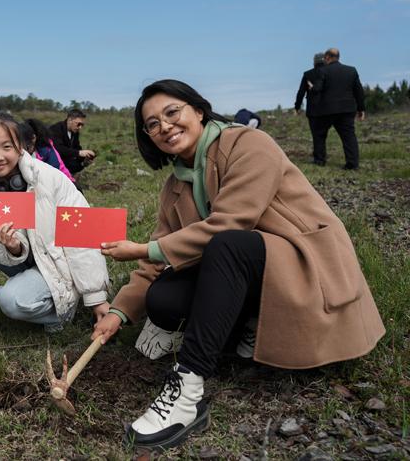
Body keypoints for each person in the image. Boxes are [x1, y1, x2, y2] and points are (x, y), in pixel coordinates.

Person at [91, 79, 384, 451]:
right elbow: (154, 262)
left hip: (301, 262)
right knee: (163, 298)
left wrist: (142, 248)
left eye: (172, 112)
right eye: (152, 124)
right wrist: (118, 312)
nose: (164, 126)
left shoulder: (248, 143)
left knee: (227, 243)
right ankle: (247, 324)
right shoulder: (174, 186)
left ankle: (187, 391)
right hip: (244, 267)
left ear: (199, 111)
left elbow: (232, 222)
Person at [0, 113, 110, 341]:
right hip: (24, 258)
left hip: (57, 265)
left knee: (12, 300)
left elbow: (83, 235)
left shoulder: (51, 179)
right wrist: (14, 247)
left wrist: (96, 297)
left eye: (7, 147)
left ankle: (59, 312)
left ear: (21, 147)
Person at [314, 48, 366, 170]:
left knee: (319, 134)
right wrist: (361, 109)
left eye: (325, 58)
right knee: (349, 137)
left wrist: (312, 87)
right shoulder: (351, 70)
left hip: (327, 110)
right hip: (347, 109)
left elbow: (317, 89)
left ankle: (320, 160)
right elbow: (359, 91)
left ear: (327, 57)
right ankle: (352, 164)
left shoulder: (322, 71)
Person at [294, 52, 327, 165]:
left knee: (317, 135)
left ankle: (319, 159)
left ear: (314, 62)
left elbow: (301, 92)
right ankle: (351, 160)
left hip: (314, 109)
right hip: (330, 108)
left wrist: (297, 107)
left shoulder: (308, 74)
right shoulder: (330, 72)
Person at [48, 109, 95, 176]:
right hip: (52, 165)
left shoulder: (74, 132)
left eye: (82, 125)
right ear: (70, 120)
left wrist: (85, 158)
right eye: (78, 124)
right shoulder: (56, 129)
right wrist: (79, 153)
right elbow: (59, 149)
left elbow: (76, 148)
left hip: (65, 164)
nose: (80, 127)